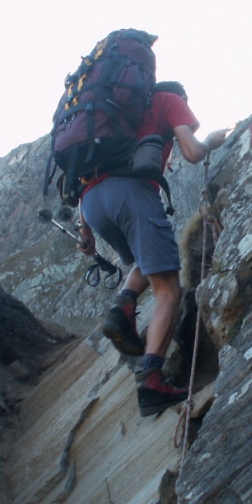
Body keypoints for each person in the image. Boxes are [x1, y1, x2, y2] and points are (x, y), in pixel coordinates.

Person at [76, 81, 228, 417]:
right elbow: (192, 153)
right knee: (169, 290)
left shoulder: (114, 116)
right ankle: (151, 383)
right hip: (130, 194)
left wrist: (84, 231)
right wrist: (209, 142)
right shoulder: (169, 100)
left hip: (92, 203)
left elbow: (82, 176)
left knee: (146, 259)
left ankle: (123, 308)